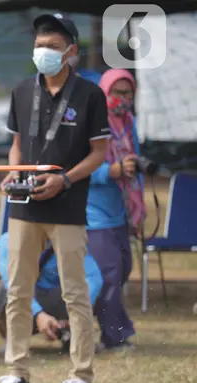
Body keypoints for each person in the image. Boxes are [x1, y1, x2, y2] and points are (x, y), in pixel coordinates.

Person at [0, 14, 109, 383]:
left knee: (75, 293)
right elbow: (15, 145)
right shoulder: (22, 90)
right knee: (17, 291)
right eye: (40, 46)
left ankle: (81, 376)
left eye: (53, 48)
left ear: (71, 52)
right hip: (23, 207)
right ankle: (17, 371)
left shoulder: (90, 95)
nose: (43, 53)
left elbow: (99, 153)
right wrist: (13, 173)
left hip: (67, 206)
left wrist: (66, 179)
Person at [87, 68, 142, 352]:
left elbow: (135, 162)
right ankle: (114, 336)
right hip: (93, 213)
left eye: (127, 92)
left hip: (120, 209)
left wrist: (139, 208)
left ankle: (108, 329)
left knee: (123, 270)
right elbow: (80, 166)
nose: (121, 98)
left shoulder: (128, 121)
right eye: (116, 92)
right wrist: (110, 171)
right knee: (108, 273)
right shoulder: (94, 121)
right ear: (103, 93)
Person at [0, 232, 103, 355]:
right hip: (26, 302)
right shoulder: (10, 240)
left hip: (56, 298)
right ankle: (15, 338)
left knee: (80, 287)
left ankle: (70, 334)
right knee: (6, 290)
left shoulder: (68, 238)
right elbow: (13, 285)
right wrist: (38, 314)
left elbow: (93, 278)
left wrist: (76, 314)